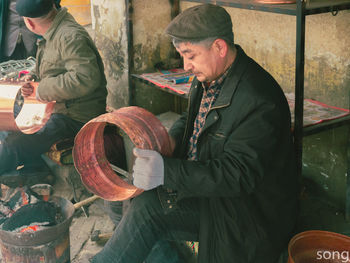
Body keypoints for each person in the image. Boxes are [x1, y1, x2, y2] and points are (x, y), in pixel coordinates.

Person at [91, 3, 299, 263]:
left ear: (219, 48)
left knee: (148, 208)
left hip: (246, 213)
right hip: (207, 187)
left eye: (190, 55)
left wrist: (168, 171)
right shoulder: (209, 77)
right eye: (182, 56)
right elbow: (190, 120)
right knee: (126, 192)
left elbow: (237, 176)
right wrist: (169, 140)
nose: (186, 65)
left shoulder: (259, 100)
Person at [0, 0, 107, 178]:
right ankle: (34, 165)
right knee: (7, 120)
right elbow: (53, 63)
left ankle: (23, 163)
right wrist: (32, 76)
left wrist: (41, 90)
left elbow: (85, 78)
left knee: (13, 143)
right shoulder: (54, 28)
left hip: (75, 116)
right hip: (54, 106)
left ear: (30, 23)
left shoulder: (69, 36)